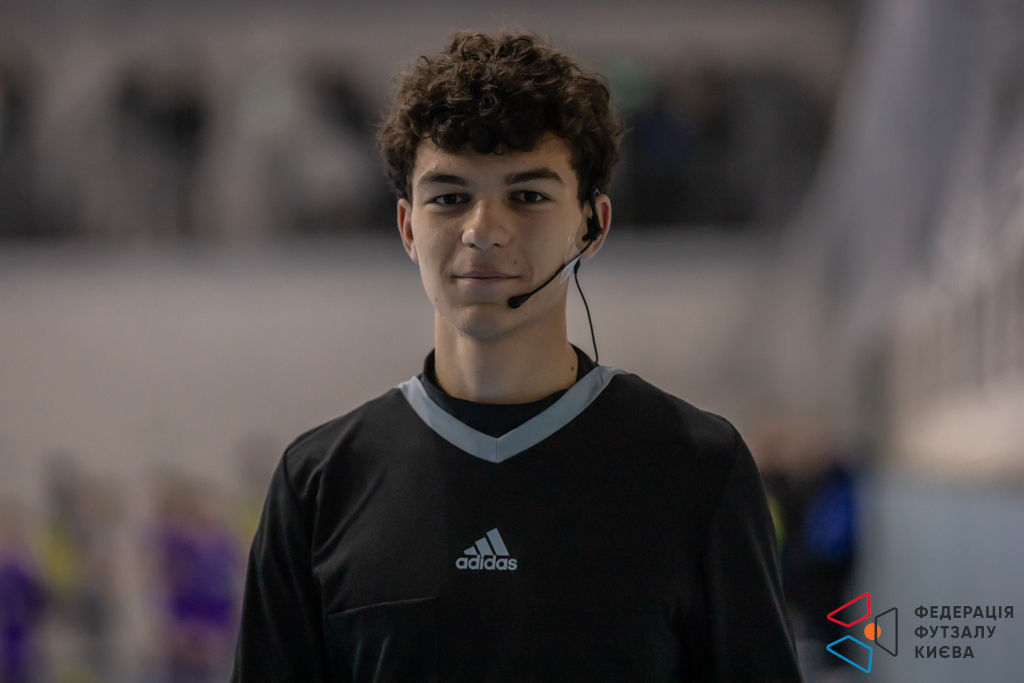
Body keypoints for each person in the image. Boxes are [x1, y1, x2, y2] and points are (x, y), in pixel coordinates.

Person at [231, 31, 800, 682]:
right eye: (449, 197)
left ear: (592, 225)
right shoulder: (318, 485)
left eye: (528, 196)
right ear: (408, 228)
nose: (483, 231)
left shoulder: (698, 469)